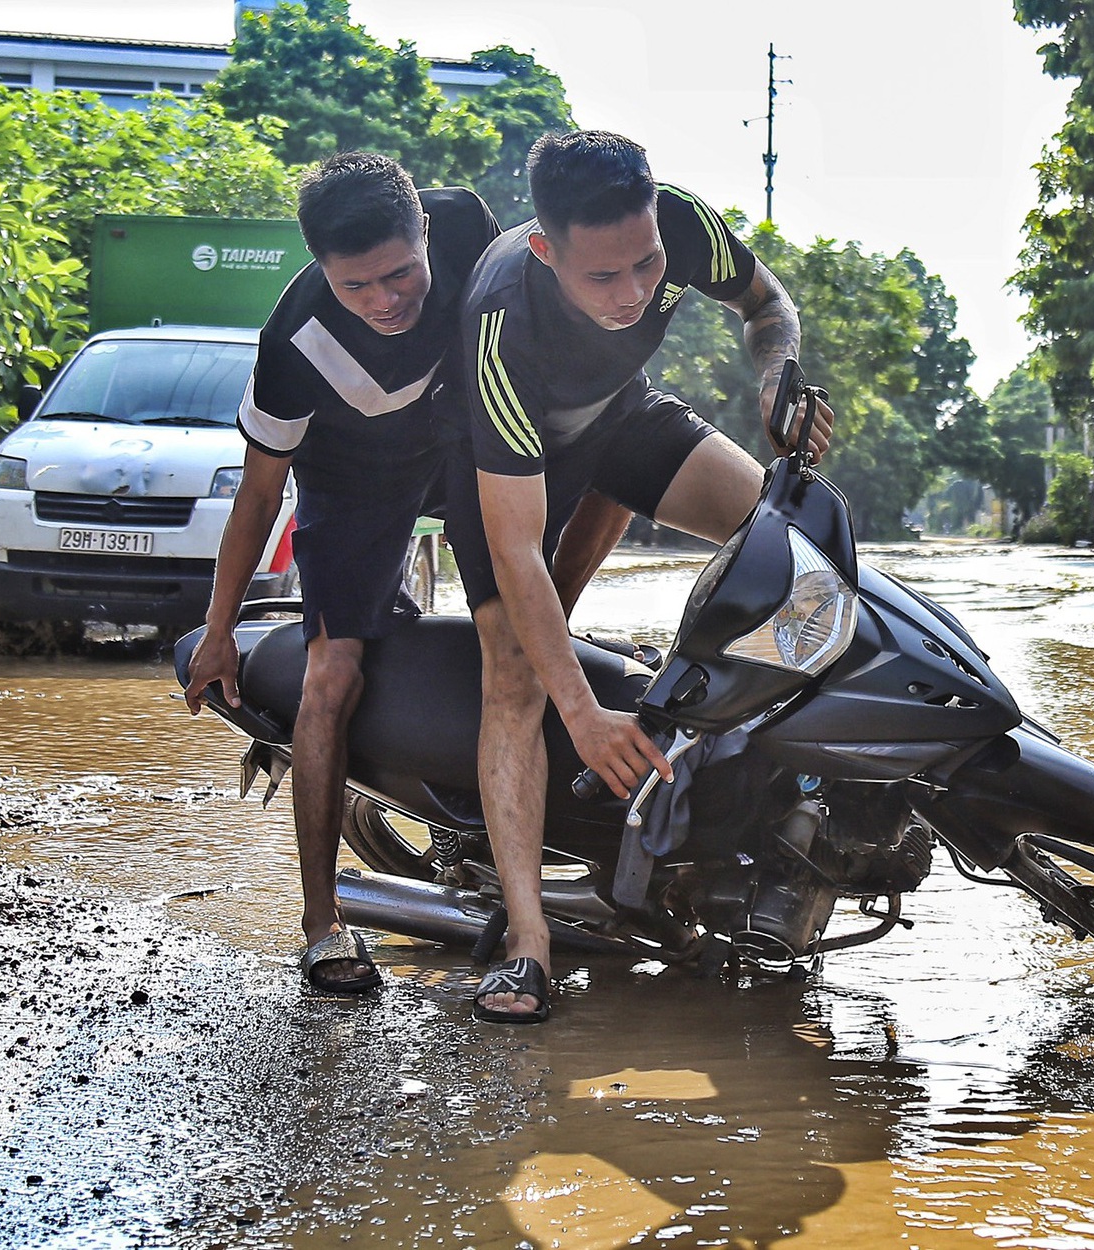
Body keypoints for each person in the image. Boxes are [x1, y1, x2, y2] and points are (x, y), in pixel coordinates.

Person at [447, 130, 834, 1023]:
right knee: (513, 675)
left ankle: (795, 802)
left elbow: (767, 302)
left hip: (621, 417)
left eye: (647, 266)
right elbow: (516, 552)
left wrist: (778, 376)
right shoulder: (502, 323)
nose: (633, 295)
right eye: (602, 279)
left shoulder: (683, 223)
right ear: (547, 253)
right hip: (511, 460)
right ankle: (527, 945)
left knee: (788, 543)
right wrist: (581, 715)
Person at [180, 152, 497, 994]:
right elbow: (258, 495)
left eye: (401, 274)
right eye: (357, 287)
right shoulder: (292, 342)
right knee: (333, 676)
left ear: (426, 230)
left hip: (458, 446)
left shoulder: (467, 226)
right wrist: (218, 632)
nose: (386, 302)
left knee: (522, 630)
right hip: (352, 486)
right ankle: (324, 925)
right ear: (322, 270)